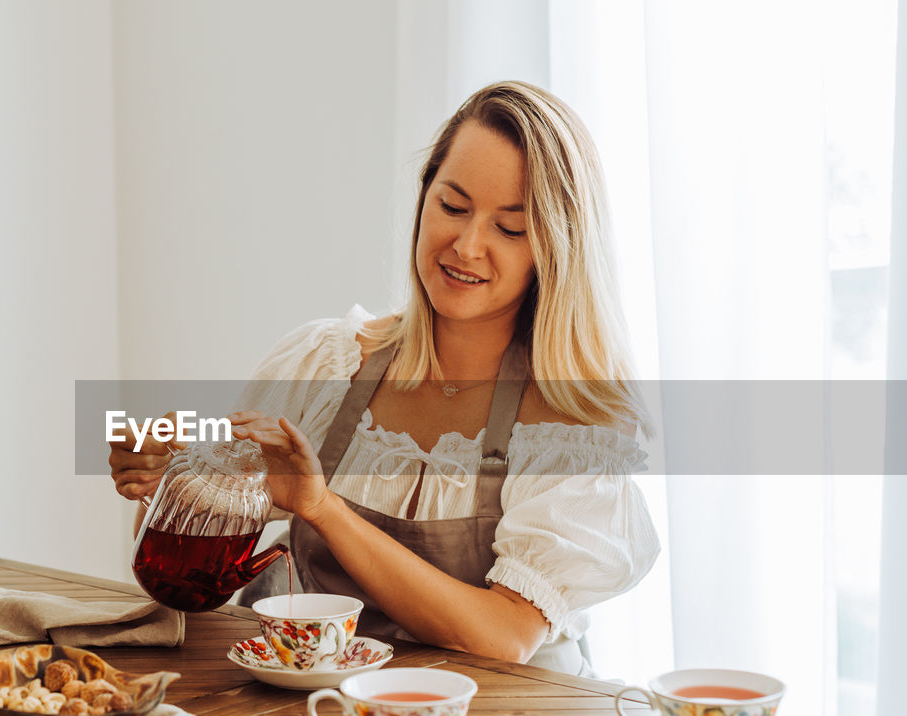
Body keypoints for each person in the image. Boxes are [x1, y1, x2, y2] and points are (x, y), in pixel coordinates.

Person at [109, 81, 659, 676]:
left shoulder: (572, 423)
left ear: (555, 248)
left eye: (510, 228)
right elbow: (195, 582)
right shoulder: (326, 365)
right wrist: (174, 487)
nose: (467, 245)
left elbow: (506, 636)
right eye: (452, 206)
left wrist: (321, 508)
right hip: (324, 714)